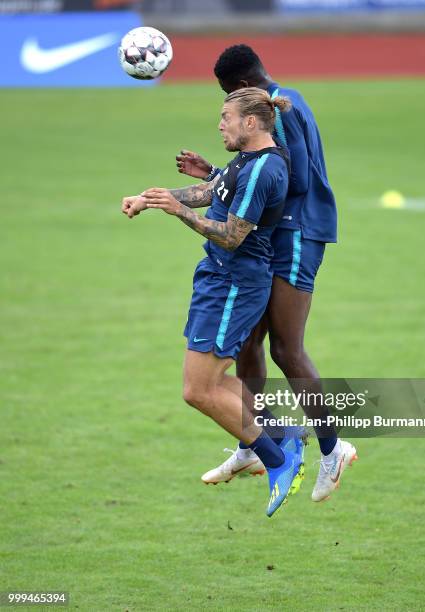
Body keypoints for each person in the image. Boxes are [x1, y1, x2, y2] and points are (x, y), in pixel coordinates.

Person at [176, 44, 357, 503]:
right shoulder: (278, 100)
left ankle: (333, 448)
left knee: (287, 349)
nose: (226, 118)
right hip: (277, 235)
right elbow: (264, 174)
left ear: (242, 89)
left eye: (226, 101)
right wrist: (219, 175)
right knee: (246, 342)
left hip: (299, 233)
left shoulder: (285, 106)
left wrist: (218, 180)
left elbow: (285, 178)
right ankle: (254, 442)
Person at [121, 87, 304, 517]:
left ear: (251, 123)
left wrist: (175, 212)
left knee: (198, 389)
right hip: (218, 279)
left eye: (226, 117)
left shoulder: (265, 168)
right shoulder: (247, 160)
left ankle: (279, 460)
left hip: (234, 283)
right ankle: (283, 434)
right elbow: (212, 193)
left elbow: (234, 235)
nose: (220, 125)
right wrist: (151, 198)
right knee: (214, 382)